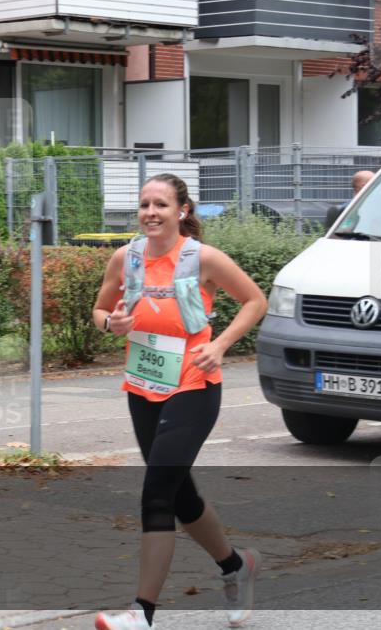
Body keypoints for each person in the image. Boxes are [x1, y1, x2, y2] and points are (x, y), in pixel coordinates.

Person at [90, 173, 268, 630]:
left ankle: (141, 614)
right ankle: (235, 566)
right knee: (180, 496)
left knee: (156, 493)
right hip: (144, 384)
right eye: (145, 204)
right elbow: (99, 310)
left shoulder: (201, 257)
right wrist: (111, 324)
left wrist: (221, 344)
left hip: (194, 385)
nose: (151, 212)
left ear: (182, 211)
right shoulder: (125, 258)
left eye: (161, 205)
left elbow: (254, 300)